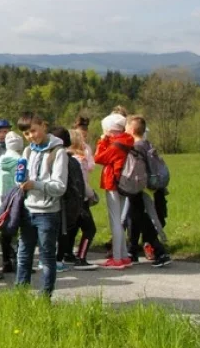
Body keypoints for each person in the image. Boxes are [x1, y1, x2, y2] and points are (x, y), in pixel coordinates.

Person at [16, 112, 69, 296]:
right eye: (26, 134)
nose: (31, 136)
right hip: (27, 209)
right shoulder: (28, 150)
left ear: (43, 126)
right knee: (23, 255)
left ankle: (45, 296)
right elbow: (20, 176)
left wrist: (35, 185)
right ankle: (20, 295)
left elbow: (60, 187)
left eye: (33, 131)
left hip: (47, 212)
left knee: (46, 257)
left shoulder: (58, 152)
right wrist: (21, 182)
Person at [124, 116, 172, 268]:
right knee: (137, 218)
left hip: (142, 190)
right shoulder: (148, 144)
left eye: (126, 128)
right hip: (154, 188)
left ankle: (159, 252)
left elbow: (136, 172)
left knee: (142, 220)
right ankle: (132, 251)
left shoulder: (136, 148)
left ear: (131, 130)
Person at [94, 113, 134, 269]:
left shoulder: (116, 145)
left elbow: (98, 158)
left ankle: (117, 258)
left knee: (115, 222)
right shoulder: (127, 141)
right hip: (124, 185)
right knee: (119, 220)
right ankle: (124, 256)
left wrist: (102, 140)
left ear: (110, 130)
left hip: (113, 184)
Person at [63, 127, 99, 270]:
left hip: (68, 200)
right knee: (90, 229)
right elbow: (82, 182)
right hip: (80, 199)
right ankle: (81, 257)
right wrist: (92, 195)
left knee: (72, 227)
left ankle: (67, 253)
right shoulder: (81, 160)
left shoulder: (64, 158)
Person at [0, 131, 25, 272]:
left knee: (5, 232)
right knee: (20, 231)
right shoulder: (21, 161)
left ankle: (6, 261)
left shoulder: (0, 161)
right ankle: (19, 262)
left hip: (2, 199)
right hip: (17, 199)